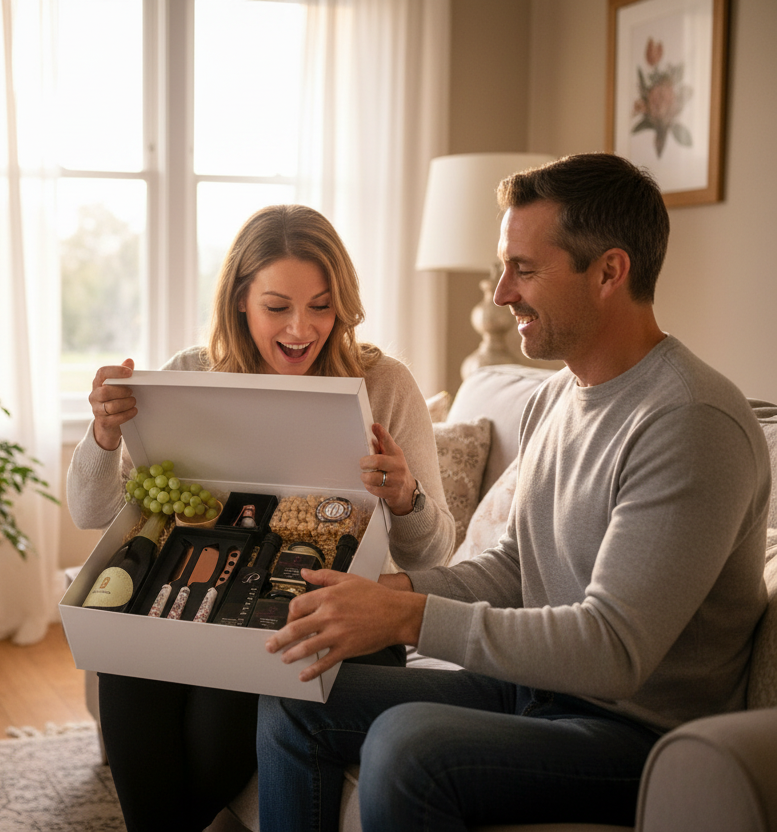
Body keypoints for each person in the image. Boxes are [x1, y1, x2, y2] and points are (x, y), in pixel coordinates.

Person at [256, 153, 771, 831]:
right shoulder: (557, 394)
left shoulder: (691, 422)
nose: (501, 292)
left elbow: (613, 649)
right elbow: (516, 567)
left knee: (407, 748)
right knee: (297, 699)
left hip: (638, 733)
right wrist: (392, 593)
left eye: (524, 269)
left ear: (610, 272)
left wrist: (407, 621)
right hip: (540, 691)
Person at [66, 204, 458, 831]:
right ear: (240, 301)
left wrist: (406, 496)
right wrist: (104, 436)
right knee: (129, 657)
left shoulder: (385, 384)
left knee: (227, 688)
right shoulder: (194, 373)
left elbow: (432, 557)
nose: (302, 328)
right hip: (210, 597)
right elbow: (91, 514)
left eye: (322, 306)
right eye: (277, 307)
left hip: (334, 619)